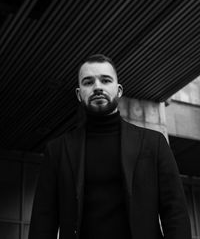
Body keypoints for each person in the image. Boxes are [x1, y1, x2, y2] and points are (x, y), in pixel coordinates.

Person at [29, 54, 192, 239]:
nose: (97, 87)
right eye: (88, 82)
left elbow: (175, 211)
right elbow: (43, 220)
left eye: (105, 80)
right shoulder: (57, 150)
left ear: (119, 90)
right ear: (78, 94)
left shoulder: (153, 143)